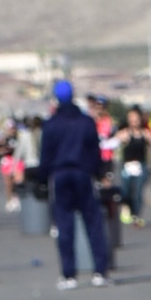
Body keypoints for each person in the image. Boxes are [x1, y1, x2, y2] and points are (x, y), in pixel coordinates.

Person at [35, 77, 113, 286]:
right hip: (82, 174)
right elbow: (94, 151)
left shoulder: (51, 124)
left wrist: (42, 178)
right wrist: (99, 173)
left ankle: (69, 275)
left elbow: (46, 155)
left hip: (60, 175)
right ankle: (100, 272)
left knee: (64, 225)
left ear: (56, 98)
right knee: (93, 223)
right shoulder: (86, 122)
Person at [115, 105, 151, 225]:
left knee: (138, 192)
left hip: (140, 166)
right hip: (127, 166)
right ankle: (126, 206)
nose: (134, 120)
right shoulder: (125, 133)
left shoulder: (145, 133)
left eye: (136, 118)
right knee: (126, 191)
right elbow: (112, 142)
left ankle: (136, 215)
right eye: (131, 118)